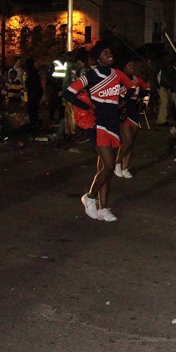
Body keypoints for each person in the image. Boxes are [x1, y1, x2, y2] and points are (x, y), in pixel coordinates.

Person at [64, 42, 138, 222]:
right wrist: (87, 107)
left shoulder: (117, 74)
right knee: (110, 165)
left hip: (113, 123)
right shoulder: (90, 76)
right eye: (105, 53)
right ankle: (89, 196)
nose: (109, 55)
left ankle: (103, 208)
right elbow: (69, 92)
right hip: (98, 125)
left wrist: (122, 102)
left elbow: (132, 88)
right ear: (98, 58)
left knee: (104, 167)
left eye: (110, 52)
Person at [115, 59, 150, 179]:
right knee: (127, 141)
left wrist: (144, 102)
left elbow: (147, 91)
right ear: (123, 68)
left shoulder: (137, 80)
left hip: (134, 111)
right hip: (124, 112)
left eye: (133, 64)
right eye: (129, 65)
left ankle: (126, 168)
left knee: (131, 143)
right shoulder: (119, 80)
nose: (132, 66)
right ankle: (118, 163)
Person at [24, 57, 43, 129]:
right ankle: (34, 123)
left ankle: (34, 123)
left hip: (34, 93)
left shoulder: (32, 73)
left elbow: (33, 84)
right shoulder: (33, 72)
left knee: (32, 109)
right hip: (34, 93)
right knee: (33, 109)